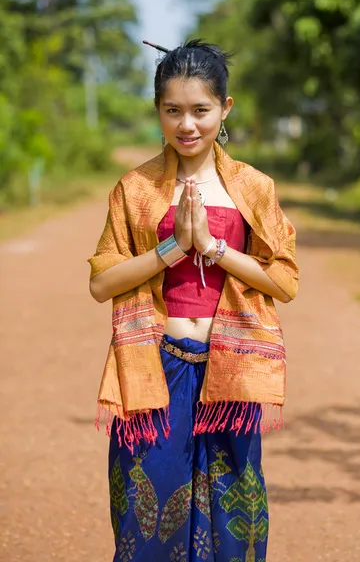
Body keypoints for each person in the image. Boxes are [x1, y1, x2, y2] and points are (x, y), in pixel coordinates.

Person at [88, 39, 299, 562]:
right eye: (173, 110)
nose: (187, 125)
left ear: (224, 109)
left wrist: (213, 248)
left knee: (234, 522)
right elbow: (101, 284)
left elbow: (284, 282)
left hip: (232, 375)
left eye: (200, 110)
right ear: (157, 110)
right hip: (155, 371)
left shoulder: (253, 188)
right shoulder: (133, 189)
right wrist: (173, 248)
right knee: (147, 519)